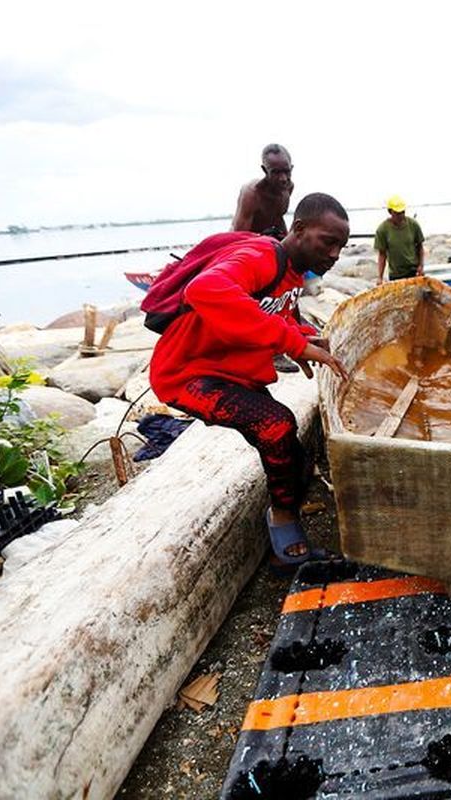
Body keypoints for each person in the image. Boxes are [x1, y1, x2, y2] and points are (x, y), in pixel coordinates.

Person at [150, 192, 351, 573]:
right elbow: (205, 290)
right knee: (275, 425)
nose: (336, 254)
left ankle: (282, 516)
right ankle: (283, 534)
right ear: (300, 229)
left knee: (300, 463)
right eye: (329, 241)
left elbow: (275, 313)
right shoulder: (259, 257)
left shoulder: (292, 274)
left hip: (232, 371)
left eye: (342, 245)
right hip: (187, 374)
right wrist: (290, 342)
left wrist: (303, 337)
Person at [233, 144, 294, 240]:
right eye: (276, 172)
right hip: (247, 241)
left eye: (287, 171)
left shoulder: (288, 187)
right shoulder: (252, 193)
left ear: (292, 168)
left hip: (271, 237)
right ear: (265, 170)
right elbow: (239, 235)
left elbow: (278, 218)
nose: (283, 179)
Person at [374, 195, 424, 284]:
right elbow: (382, 254)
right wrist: (380, 277)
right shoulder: (383, 229)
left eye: (402, 212)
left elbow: (420, 246)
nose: (400, 215)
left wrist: (421, 265)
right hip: (396, 274)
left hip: (413, 270)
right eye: (397, 213)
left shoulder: (413, 225)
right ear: (390, 212)